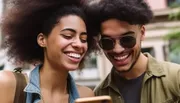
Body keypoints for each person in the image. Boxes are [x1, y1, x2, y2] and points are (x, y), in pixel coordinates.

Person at [0, 0, 97, 103]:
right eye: (68, 36)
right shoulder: (8, 85)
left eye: (83, 39)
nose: (79, 44)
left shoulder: (86, 96)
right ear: (42, 40)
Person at [84, 0, 180, 103]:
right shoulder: (100, 94)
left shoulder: (175, 78)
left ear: (142, 33)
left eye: (127, 40)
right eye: (107, 42)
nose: (117, 49)